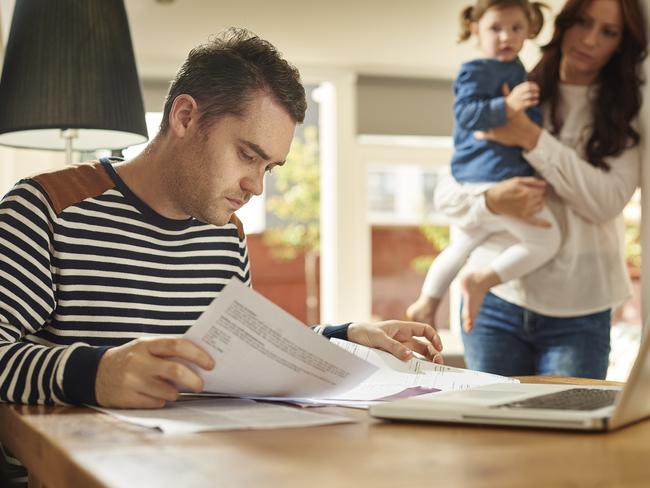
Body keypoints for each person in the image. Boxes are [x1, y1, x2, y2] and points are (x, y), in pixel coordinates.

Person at [0, 28, 443, 484]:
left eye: (268, 167)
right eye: (247, 155)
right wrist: (94, 373)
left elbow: (237, 355)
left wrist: (343, 336)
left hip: (208, 468)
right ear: (186, 117)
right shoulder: (47, 209)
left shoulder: (226, 235)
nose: (257, 185)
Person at [434, 0, 647, 378]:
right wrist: (491, 201)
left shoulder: (627, 110)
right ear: (564, 25)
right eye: (583, 22)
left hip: (580, 310)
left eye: (608, 31)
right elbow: (447, 195)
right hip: (495, 303)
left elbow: (605, 203)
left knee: (569, 434)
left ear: (621, 43)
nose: (590, 39)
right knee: (493, 433)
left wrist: (531, 138)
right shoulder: (510, 88)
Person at [407, 0, 560, 332]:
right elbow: (466, 115)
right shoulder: (475, 69)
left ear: (529, 31)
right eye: (495, 28)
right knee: (546, 241)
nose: (506, 36)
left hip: (486, 177)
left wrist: (525, 116)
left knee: (463, 242)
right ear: (476, 30)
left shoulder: (518, 70)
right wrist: (507, 104)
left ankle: (426, 302)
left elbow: (525, 124)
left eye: (516, 28)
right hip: (488, 175)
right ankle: (480, 282)